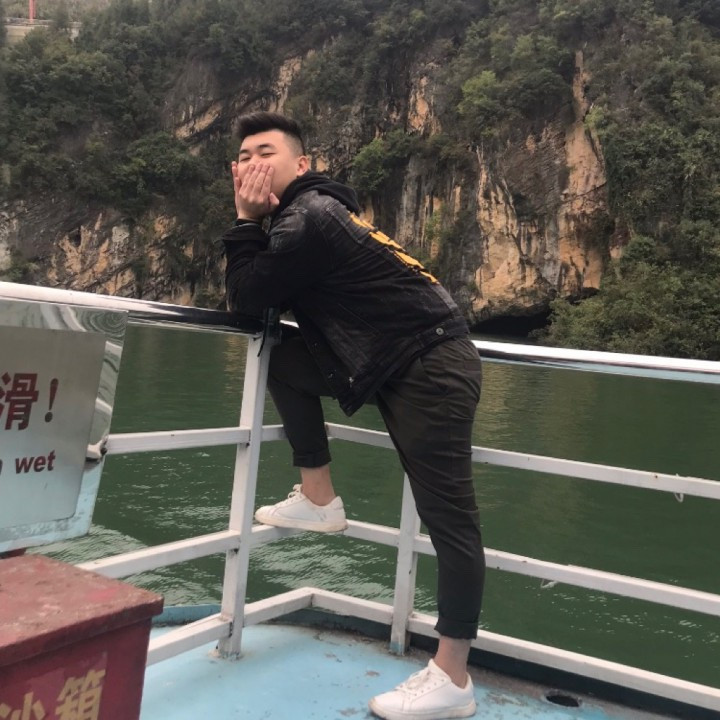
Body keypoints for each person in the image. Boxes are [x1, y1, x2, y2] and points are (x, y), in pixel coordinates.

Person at [222, 111, 485, 720]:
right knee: (280, 356)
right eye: (243, 157)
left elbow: (245, 298)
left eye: (266, 152)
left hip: (428, 364)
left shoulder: (306, 217)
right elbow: (262, 301)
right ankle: (319, 496)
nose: (253, 164)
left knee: (449, 519)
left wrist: (244, 221)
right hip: (388, 358)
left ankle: (453, 677)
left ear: (301, 164)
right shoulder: (312, 213)